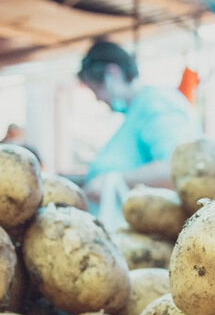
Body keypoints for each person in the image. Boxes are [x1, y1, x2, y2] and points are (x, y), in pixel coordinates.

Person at [77, 40, 201, 203]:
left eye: (95, 90)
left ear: (112, 73)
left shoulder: (156, 103)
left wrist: (111, 180)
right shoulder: (136, 110)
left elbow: (178, 168)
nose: (98, 98)